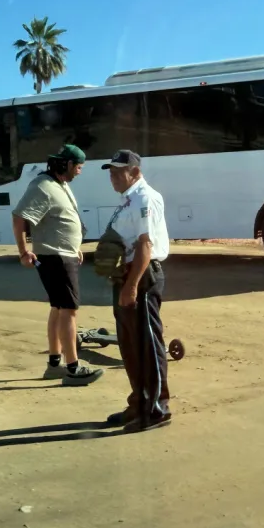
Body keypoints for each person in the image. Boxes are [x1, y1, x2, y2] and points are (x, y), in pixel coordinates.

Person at [12, 144, 103, 386]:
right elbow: (20, 217)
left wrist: (76, 249)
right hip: (56, 257)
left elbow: (62, 221)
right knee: (69, 311)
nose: (80, 172)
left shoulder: (59, 185)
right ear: (67, 165)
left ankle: (55, 365)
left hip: (64, 254)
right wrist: (23, 252)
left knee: (59, 308)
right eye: (79, 167)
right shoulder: (42, 186)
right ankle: (73, 368)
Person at [101, 150, 171, 432]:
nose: (113, 177)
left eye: (119, 171)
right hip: (126, 276)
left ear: (136, 172)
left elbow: (145, 245)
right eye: (111, 172)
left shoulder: (145, 198)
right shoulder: (128, 199)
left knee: (148, 346)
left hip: (141, 277)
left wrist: (131, 286)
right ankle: (138, 403)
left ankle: (157, 409)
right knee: (130, 346)